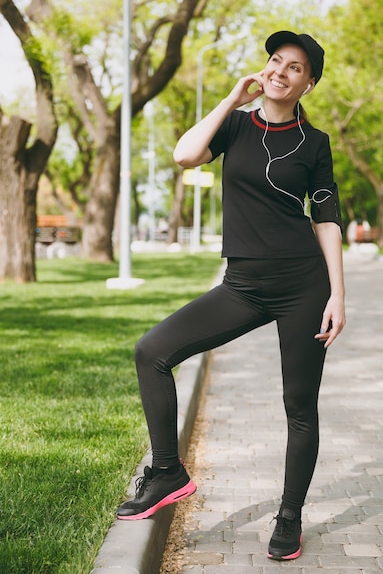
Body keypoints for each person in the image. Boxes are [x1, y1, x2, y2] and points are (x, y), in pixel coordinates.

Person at [117, 30, 346, 561]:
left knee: (298, 405)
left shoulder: (315, 144)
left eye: (295, 68)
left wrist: (338, 294)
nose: (280, 71)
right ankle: (168, 471)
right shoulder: (236, 126)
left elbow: (328, 218)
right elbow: (184, 155)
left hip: (302, 286)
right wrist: (230, 99)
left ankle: (289, 518)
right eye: (275, 61)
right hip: (242, 286)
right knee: (152, 351)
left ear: (308, 83)